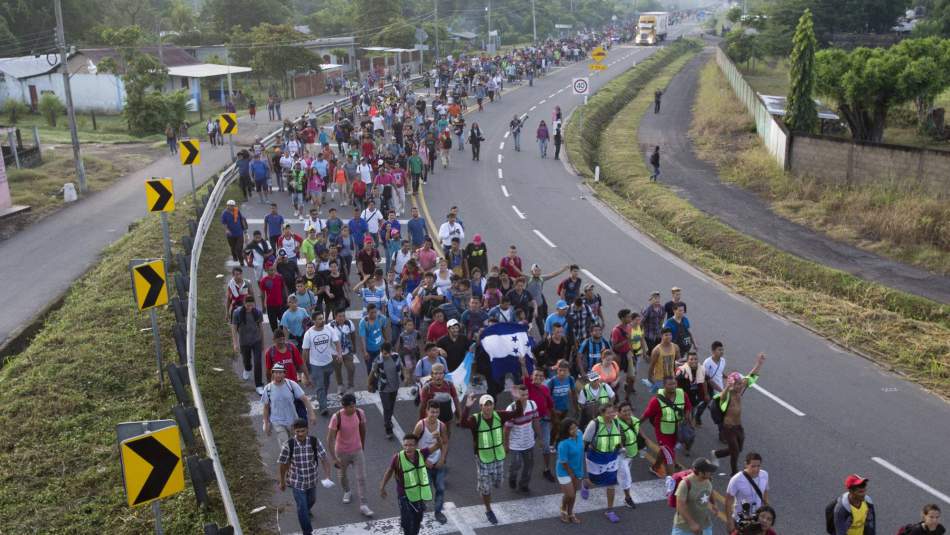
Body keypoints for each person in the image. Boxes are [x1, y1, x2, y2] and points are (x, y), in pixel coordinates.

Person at [458, 393, 522, 525]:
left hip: (498, 455)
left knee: (498, 483)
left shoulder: (500, 415)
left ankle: (483, 485)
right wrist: (467, 407)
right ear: (481, 407)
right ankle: (488, 509)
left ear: (493, 405)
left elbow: (518, 413)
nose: (488, 408)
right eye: (485, 405)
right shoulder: (476, 419)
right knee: (486, 488)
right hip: (483, 457)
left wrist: (518, 399)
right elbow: (462, 424)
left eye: (490, 404)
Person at [711, 353, 766, 475]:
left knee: (738, 449)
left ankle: (716, 454)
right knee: (735, 451)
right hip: (728, 427)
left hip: (738, 427)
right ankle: (734, 472)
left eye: (741, 384)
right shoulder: (726, 396)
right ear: (731, 385)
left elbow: (750, 376)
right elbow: (722, 396)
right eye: (738, 384)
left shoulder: (739, 391)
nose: (741, 386)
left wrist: (759, 363)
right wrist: (728, 387)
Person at [379, 433, 443, 535]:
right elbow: (389, 471)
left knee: (418, 518)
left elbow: (438, 445)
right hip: (404, 495)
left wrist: (438, 438)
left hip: (418, 494)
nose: (408, 448)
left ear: (416, 446)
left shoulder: (421, 453)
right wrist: (382, 487)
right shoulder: (397, 458)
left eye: (411, 445)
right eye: (406, 445)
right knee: (407, 521)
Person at [278, 419, 333, 535]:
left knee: (311, 500)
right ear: (294, 431)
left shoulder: (314, 441)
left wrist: (328, 476)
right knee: (302, 507)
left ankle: (306, 512)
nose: (300, 434)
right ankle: (307, 532)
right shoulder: (288, 445)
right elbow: (283, 465)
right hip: (297, 482)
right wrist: (282, 481)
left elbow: (324, 458)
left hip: (312, 480)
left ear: (307, 430)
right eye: (298, 431)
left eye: (303, 431)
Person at [327, 393, 374, 517]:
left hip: (357, 450)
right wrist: (334, 458)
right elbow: (330, 439)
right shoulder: (337, 417)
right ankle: (347, 491)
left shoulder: (360, 413)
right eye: (350, 407)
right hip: (341, 452)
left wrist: (362, 446)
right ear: (344, 406)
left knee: (362, 477)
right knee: (342, 476)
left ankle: (364, 504)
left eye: (354, 405)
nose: (353, 409)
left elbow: (363, 429)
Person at [641, 375, 692, 478]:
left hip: (677, 431)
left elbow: (688, 407)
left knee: (666, 451)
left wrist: (687, 420)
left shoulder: (682, 394)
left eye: (674, 384)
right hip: (663, 431)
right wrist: (636, 425)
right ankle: (672, 482)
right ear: (664, 386)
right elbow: (646, 415)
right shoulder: (656, 400)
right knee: (670, 457)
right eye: (670, 384)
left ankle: (655, 468)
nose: (673, 386)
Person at [581, 403, 623, 524]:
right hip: (596, 457)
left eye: (613, 412)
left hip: (611, 456)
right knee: (595, 480)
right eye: (608, 412)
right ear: (602, 413)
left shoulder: (616, 422)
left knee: (611, 482)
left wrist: (621, 448)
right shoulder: (594, 424)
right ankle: (585, 483)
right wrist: (579, 458)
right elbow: (585, 441)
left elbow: (618, 437)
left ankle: (610, 510)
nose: (611, 415)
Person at [412, 401, 451, 524]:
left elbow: (445, 443)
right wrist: (424, 459)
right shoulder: (420, 425)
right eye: (432, 412)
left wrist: (442, 459)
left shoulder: (442, 426)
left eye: (437, 412)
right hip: (425, 464)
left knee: (440, 488)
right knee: (426, 489)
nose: (434, 414)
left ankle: (438, 512)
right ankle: (421, 506)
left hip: (438, 463)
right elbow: (412, 444)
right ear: (427, 411)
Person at [262, 361, 317, 447]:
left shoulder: (291, 385)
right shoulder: (268, 389)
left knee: (296, 445)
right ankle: (288, 460)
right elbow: (266, 407)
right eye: (276, 372)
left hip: (293, 421)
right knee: (285, 447)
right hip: (277, 422)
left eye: (280, 373)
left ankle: (294, 459)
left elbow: (305, 399)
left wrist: (312, 414)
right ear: (272, 373)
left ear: (284, 373)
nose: (278, 375)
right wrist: (266, 423)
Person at [302, 311, 342, 416]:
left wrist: (339, 354)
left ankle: (322, 397)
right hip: (316, 365)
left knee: (326, 383)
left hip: (329, 362)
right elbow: (305, 351)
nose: (322, 320)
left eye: (322, 318)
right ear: (314, 321)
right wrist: (304, 366)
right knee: (320, 386)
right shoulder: (309, 334)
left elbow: (337, 342)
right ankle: (323, 407)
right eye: (319, 319)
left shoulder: (329, 329)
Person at [504, 383, 540, 494]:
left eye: (526, 394)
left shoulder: (532, 405)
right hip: (515, 444)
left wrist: (540, 437)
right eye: (522, 395)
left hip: (528, 442)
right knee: (516, 464)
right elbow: (506, 430)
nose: (525, 397)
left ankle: (524, 484)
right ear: (517, 396)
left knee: (529, 465)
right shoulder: (511, 409)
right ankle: (512, 477)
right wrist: (506, 445)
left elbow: (536, 421)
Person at [672, 458, 720, 535]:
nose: (711, 472)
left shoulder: (708, 479)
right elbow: (680, 506)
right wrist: (692, 523)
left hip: (705, 525)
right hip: (684, 528)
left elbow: (710, 490)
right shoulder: (685, 484)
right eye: (709, 471)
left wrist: (714, 504)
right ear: (700, 473)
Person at [555, 418, 586, 524]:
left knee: (574, 493)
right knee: (570, 495)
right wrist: (571, 473)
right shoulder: (563, 443)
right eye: (571, 429)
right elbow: (563, 461)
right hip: (564, 471)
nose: (574, 430)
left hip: (578, 469)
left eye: (575, 427)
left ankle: (571, 513)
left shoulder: (580, 433)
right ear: (566, 431)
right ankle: (563, 509)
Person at [368, 342, 402, 439]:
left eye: (388, 353)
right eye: (384, 353)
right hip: (384, 389)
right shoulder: (378, 361)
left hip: (395, 387)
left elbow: (401, 367)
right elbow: (372, 372)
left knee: (391, 407)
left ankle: (389, 420)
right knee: (387, 408)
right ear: (381, 351)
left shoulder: (396, 357)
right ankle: (388, 428)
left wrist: (406, 376)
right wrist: (369, 383)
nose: (386, 355)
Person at [232, 296, 265, 394]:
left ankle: (259, 385)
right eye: (247, 305)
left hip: (256, 341)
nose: (249, 307)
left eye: (252, 305)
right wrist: (235, 343)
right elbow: (233, 328)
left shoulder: (257, 313)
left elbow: (261, 328)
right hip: (244, 342)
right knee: (246, 360)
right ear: (244, 303)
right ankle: (247, 369)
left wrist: (262, 343)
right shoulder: (237, 313)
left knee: (258, 362)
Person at [616, 401, 645, 509]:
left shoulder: (634, 421)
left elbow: (638, 433)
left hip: (631, 454)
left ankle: (587, 483)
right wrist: (622, 449)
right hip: (620, 456)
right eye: (624, 411)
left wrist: (642, 445)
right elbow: (618, 439)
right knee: (626, 477)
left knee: (623, 474)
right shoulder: (616, 424)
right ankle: (627, 498)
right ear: (619, 413)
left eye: (629, 410)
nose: (627, 413)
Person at [648, 328, 681, 393]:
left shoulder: (675, 347)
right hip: (660, 379)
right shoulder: (656, 350)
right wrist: (650, 379)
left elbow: (678, 362)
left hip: (672, 377)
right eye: (666, 335)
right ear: (661, 336)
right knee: (662, 399)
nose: (668, 337)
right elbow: (651, 366)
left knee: (671, 398)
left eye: (670, 335)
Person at [221, 200, 247, 266]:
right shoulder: (224, 214)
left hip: (239, 233)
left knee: (239, 248)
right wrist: (227, 230)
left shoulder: (237, 211)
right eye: (230, 205)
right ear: (227, 206)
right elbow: (224, 223)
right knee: (233, 247)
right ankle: (235, 256)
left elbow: (241, 219)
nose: (231, 207)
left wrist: (244, 229)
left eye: (233, 206)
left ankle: (241, 261)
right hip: (231, 235)